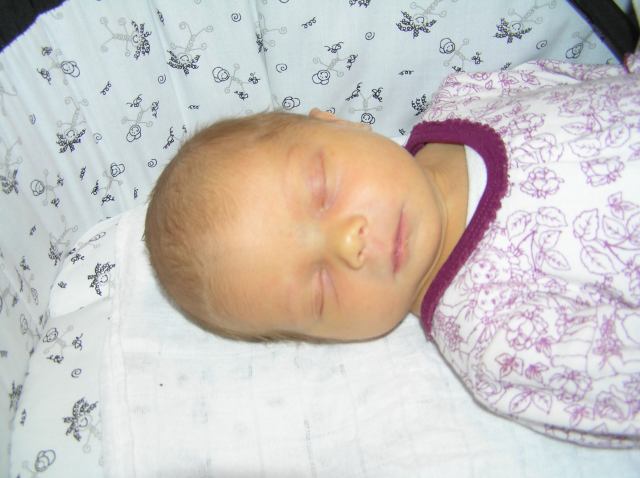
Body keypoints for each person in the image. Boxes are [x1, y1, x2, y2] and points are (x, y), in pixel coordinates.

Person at [144, 52, 640, 447]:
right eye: (321, 290)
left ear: (337, 123)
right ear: (327, 339)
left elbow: (595, 81)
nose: (349, 244)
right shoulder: (499, 343)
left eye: (322, 191)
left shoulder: (463, 99)